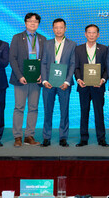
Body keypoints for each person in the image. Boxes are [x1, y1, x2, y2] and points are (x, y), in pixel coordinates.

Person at [9, 13, 47, 147]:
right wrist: (19, 76)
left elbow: (45, 60)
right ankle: (17, 136)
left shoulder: (43, 39)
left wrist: (42, 75)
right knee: (19, 107)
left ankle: (29, 136)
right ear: (25, 23)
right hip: (21, 79)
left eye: (35, 21)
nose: (33, 23)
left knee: (33, 108)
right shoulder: (17, 37)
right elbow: (12, 58)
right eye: (30, 21)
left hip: (36, 79)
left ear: (38, 24)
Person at [40, 18, 76, 147]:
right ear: (53, 29)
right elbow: (43, 63)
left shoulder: (72, 44)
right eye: (56, 27)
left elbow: (72, 64)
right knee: (47, 110)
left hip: (64, 84)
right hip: (48, 83)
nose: (58, 30)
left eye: (61, 27)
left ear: (65, 29)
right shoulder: (47, 43)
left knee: (64, 110)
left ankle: (63, 137)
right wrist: (44, 80)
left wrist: (67, 81)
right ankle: (46, 137)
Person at [74, 24, 108, 147]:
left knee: (99, 112)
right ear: (85, 34)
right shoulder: (78, 49)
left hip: (98, 86)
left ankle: (101, 138)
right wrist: (78, 79)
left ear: (98, 35)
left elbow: (107, 68)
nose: (91, 35)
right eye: (89, 32)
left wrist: (103, 80)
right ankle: (83, 138)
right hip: (83, 86)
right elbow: (76, 67)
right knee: (84, 112)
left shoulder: (104, 49)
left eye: (94, 33)